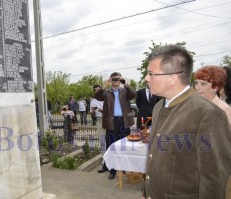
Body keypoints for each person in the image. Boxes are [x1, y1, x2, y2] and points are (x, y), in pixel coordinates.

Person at [143, 44, 231, 199]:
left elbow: (213, 179)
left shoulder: (208, 114)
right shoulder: (158, 107)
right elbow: (154, 158)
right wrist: (146, 192)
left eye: (151, 73)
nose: (146, 78)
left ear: (172, 78)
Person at [94, 72, 136, 179]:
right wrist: (104, 86)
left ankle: (125, 168)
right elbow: (97, 97)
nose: (116, 80)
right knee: (111, 146)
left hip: (124, 122)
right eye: (114, 79)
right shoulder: (106, 92)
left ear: (120, 79)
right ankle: (112, 169)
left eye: (118, 78)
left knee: (124, 146)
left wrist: (125, 83)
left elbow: (133, 95)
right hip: (111, 123)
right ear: (110, 80)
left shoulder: (124, 91)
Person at [91, 85, 106, 153]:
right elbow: (92, 114)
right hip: (99, 119)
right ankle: (104, 155)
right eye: (96, 90)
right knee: (102, 138)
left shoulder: (107, 97)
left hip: (109, 119)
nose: (97, 91)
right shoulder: (93, 101)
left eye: (99, 89)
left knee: (110, 137)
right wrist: (93, 111)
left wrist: (103, 110)